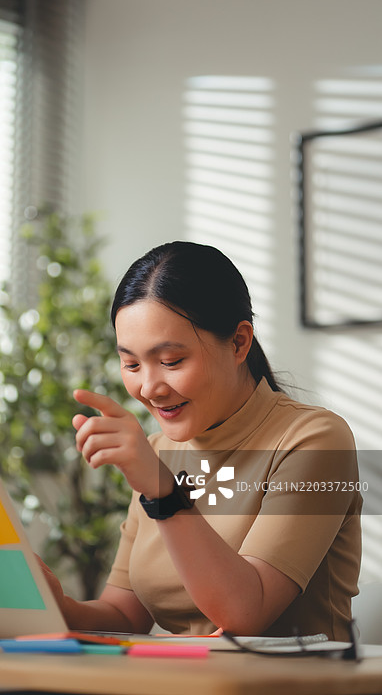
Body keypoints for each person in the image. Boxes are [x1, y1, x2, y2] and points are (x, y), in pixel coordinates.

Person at [39, 241, 361, 640]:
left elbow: (246, 614)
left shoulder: (316, 439)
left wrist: (163, 493)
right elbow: (124, 616)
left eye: (171, 361)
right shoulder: (158, 453)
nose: (150, 388)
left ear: (239, 343)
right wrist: (56, 605)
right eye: (132, 364)